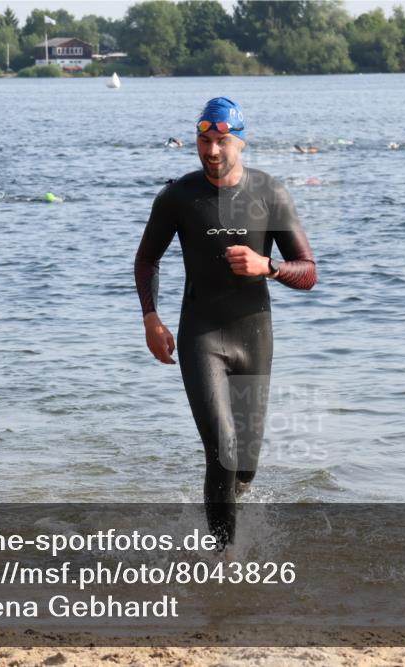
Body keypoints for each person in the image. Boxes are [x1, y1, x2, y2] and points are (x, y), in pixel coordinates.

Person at [134, 97, 317, 550]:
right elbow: (146, 260)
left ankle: (222, 510)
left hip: (253, 335)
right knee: (223, 450)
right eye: (204, 141)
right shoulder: (179, 196)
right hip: (203, 334)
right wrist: (151, 318)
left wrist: (267, 267)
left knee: (244, 465)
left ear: (240, 142)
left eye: (221, 142)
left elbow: (308, 271)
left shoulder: (269, 194)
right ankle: (224, 561)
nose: (212, 152)